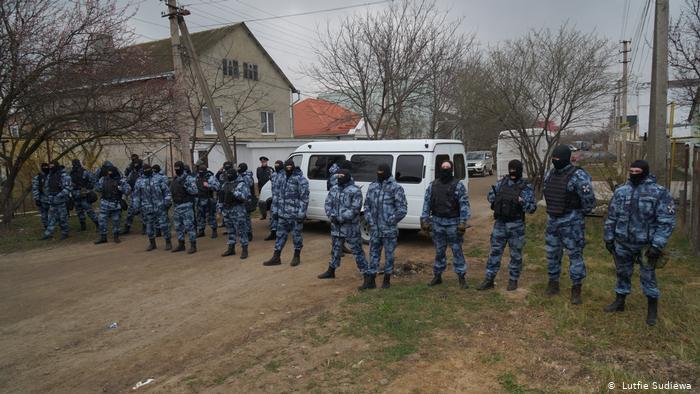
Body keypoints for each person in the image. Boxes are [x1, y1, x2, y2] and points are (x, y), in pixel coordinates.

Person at [603, 160, 675, 326]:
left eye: (637, 171)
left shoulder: (659, 192)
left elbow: (666, 220)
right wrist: (608, 237)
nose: (634, 174)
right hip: (622, 242)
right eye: (631, 171)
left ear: (645, 172)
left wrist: (658, 245)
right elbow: (612, 216)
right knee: (622, 272)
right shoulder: (621, 191)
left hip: (646, 245)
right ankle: (619, 302)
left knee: (648, 276)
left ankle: (652, 309)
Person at [542, 144, 596, 304]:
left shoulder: (579, 176)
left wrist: (578, 213)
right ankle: (553, 284)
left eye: (558, 159)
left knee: (574, 255)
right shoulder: (549, 174)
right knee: (552, 254)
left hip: (572, 223)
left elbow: (589, 201)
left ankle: (576, 289)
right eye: (553, 158)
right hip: (553, 221)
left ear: (566, 159)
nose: (555, 161)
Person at [477, 160, 537, 291]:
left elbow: (532, 208)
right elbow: (490, 197)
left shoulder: (525, 187)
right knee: (494, 252)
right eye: (511, 169)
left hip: (516, 225)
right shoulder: (502, 183)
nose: (513, 172)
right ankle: (489, 279)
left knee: (515, 255)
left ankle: (513, 280)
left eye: (515, 170)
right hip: (500, 224)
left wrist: (521, 201)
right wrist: (499, 199)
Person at [318, 169, 374, 289]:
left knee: (357, 251)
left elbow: (355, 209)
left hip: (350, 228)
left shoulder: (355, 191)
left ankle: (367, 277)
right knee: (335, 250)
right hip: (336, 227)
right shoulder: (334, 189)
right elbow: (328, 204)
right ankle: (331, 271)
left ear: (347, 177)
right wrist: (331, 216)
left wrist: (341, 218)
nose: (339, 179)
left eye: (341, 176)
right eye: (338, 176)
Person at [420, 160, 471, 289]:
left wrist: (462, 223)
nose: (445, 169)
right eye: (443, 167)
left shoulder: (458, 185)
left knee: (457, 251)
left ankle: (461, 277)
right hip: (437, 223)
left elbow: (464, 205)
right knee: (439, 251)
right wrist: (425, 220)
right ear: (439, 169)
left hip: (453, 224)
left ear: (451, 169)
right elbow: (426, 203)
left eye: (447, 167)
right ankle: (437, 276)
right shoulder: (433, 185)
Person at [362, 163, 408, 289]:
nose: (379, 175)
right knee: (373, 254)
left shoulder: (396, 188)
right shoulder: (372, 186)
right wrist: (370, 220)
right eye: (378, 172)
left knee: (389, 256)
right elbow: (366, 206)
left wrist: (390, 220)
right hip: (375, 229)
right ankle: (371, 280)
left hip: (389, 230)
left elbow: (402, 209)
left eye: (382, 173)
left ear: (387, 173)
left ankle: (387, 279)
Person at [263, 159, 309, 267]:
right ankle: (276, 257)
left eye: (290, 167)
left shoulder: (301, 180)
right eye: (286, 167)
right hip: (282, 214)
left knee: (296, 236)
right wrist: (275, 210)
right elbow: (277, 195)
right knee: (280, 235)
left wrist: (301, 214)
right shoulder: (281, 178)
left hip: (295, 215)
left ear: (293, 167)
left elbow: (304, 198)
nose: (288, 169)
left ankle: (296, 256)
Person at [132, 163, 172, 251]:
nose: (147, 171)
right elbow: (136, 196)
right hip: (147, 208)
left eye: (149, 170)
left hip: (160, 206)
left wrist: (167, 201)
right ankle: (152, 243)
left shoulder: (159, 178)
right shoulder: (139, 181)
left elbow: (166, 191)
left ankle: (168, 242)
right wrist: (136, 207)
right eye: (145, 170)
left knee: (164, 225)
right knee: (149, 227)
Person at [218, 168, 251, 259]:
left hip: (238, 209)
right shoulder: (225, 184)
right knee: (230, 230)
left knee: (241, 230)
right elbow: (221, 197)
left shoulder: (241, 184)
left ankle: (244, 249)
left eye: (230, 175)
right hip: (227, 209)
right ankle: (231, 248)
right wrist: (219, 209)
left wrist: (234, 191)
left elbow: (245, 197)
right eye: (227, 175)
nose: (228, 176)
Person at [94, 161, 131, 244]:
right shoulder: (103, 179)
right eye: (108, 172)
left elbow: (128, 190)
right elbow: (98, 188)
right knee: (102, 220)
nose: (109, 174)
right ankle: (103, 237)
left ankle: (116, 236)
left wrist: (119, 187)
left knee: (116, 220)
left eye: (111, 172)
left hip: (116, 203)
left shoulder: (121, 180)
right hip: (105, 202)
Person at [170, 161, 199, 254]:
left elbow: (195, 191)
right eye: (175, 168)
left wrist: (186, 186)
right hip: (176, 206)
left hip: (186, 205)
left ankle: (193, 245)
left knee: (189, 226)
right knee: (178, 227)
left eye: (178, 168)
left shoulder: (189, 179)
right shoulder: (174, 179)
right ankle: (181, 244)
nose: (176, 170)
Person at [40, 161, 72, 240]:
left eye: (52, 166)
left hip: (61, 200)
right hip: (52, 200)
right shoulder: (50, 176)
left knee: (62, 218)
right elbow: (47, 187)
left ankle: (65, 233)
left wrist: (59, 195)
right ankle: (48, 234)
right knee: (51, 218)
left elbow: (68, 188)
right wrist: (49, 196)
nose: (51, 168)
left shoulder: (64, 176)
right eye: (50, 166)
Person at [69, 159, 99, 231]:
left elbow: (93, 180)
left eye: (76, 163)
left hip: (84, 195)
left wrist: (88, 188)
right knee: (79, 212)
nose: (75, 165)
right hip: (75, 195)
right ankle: (83, 226)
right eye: (74, 163)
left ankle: (98, 224)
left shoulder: (84, 172)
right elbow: (70, 184)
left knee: (89, 211)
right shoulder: (71, 173)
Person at [194, 164, 219, 238]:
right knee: (200, 216)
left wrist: (208, 185)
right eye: (199, 171)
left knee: (210, 215)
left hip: (209, 199)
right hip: (199, 199)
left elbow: (217, 187)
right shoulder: (197, 177)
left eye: (202, 171)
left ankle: (214, 230)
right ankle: (201, 230)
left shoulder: (211, 177)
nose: (200, 173)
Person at [264, 160, 284, 241]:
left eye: (278, 165)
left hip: (282, 200)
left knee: (282, 217)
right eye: (275, 165)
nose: (276, 166)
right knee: (273, 216)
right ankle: (273, 233)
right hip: (274, 199)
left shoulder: (285, 175)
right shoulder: (274, 174)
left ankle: (281, 234)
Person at [123, 156, 144, 235]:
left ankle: (145, 227)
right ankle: (127, 228)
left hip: (142, 194)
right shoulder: (132, 172)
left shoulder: (143, 171)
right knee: (130, 212)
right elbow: (127, 181)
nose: (135, 165)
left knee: (142, 212)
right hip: (133, 194)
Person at [238, 162, 255, 240]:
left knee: (247, 217)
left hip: (246, 198)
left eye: (239, 168)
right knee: (241, 217)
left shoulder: (247, 176)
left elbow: (251, 184)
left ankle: (249, 233)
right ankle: (243, 232)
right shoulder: (238, 175)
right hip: (240, 198)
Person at [32, 163, 50, 230]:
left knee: (54, 214)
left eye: (46, 166)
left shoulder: (52, 176)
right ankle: (46, 227)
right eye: (44, 167)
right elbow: (35, 188)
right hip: (42, 199)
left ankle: (52, 227)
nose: (45, 168)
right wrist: (37, 199)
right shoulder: (38, 177)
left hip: (52, 199)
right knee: (44, 215)